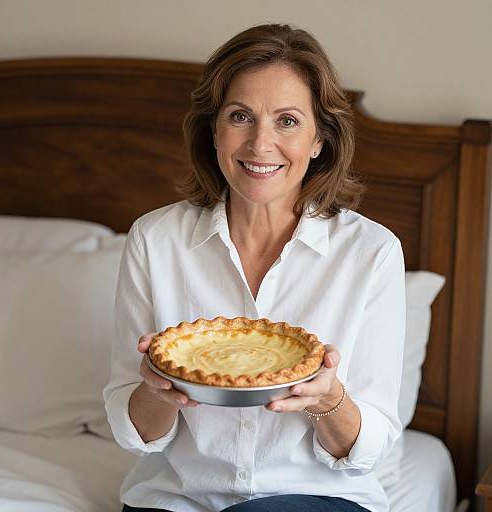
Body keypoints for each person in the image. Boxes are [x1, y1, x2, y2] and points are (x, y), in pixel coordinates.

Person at [103, 23, 405, 512]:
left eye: (287, 121)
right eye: (240, 116)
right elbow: (136, 435)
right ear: (214, 130)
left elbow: (366, 449)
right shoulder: (154, 240)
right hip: (178, 499)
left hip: (317, 498)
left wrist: (328, 400)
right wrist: (157, 389)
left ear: (319, 140)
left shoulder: (371, 253)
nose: (260, 144)